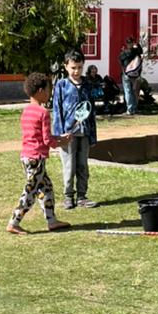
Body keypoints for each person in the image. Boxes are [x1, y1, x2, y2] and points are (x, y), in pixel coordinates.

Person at [7, 73, 72, 234]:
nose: (49, 93)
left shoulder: (27, 111)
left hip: (27, 156)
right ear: (41, 90)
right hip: (37, 159)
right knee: (30, 191)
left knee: (47, 189)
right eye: (48, 90)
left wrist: (58, 137)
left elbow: (37, 135)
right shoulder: (43, 112)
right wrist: (61, 142)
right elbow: (46, 140)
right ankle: (14, 222)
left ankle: (52, 221)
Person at [51, 49, 97, 209]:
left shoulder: (87, 85)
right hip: (68, 134)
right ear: (66, 67)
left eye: (79, 67)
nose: (76, 71)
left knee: (83, 165)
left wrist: (92, 136)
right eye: (73, 68)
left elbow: (91, 111)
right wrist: (58, 135)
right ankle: (68, 196)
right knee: (69, 166)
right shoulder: (61, 85)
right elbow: (57, 110)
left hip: (84, 132)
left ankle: (82, 196)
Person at [118, 37, 144, 116]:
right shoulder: (136, 51)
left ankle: (130, 109)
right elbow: (141, 52)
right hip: (135, 75)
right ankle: (134, 108)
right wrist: (137, 45)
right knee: (134, 92)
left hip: (126, 74)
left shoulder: (124, 53)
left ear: (127, 44)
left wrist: (124, 69)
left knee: (128, 92)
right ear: (133, 43)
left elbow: (120, 61)